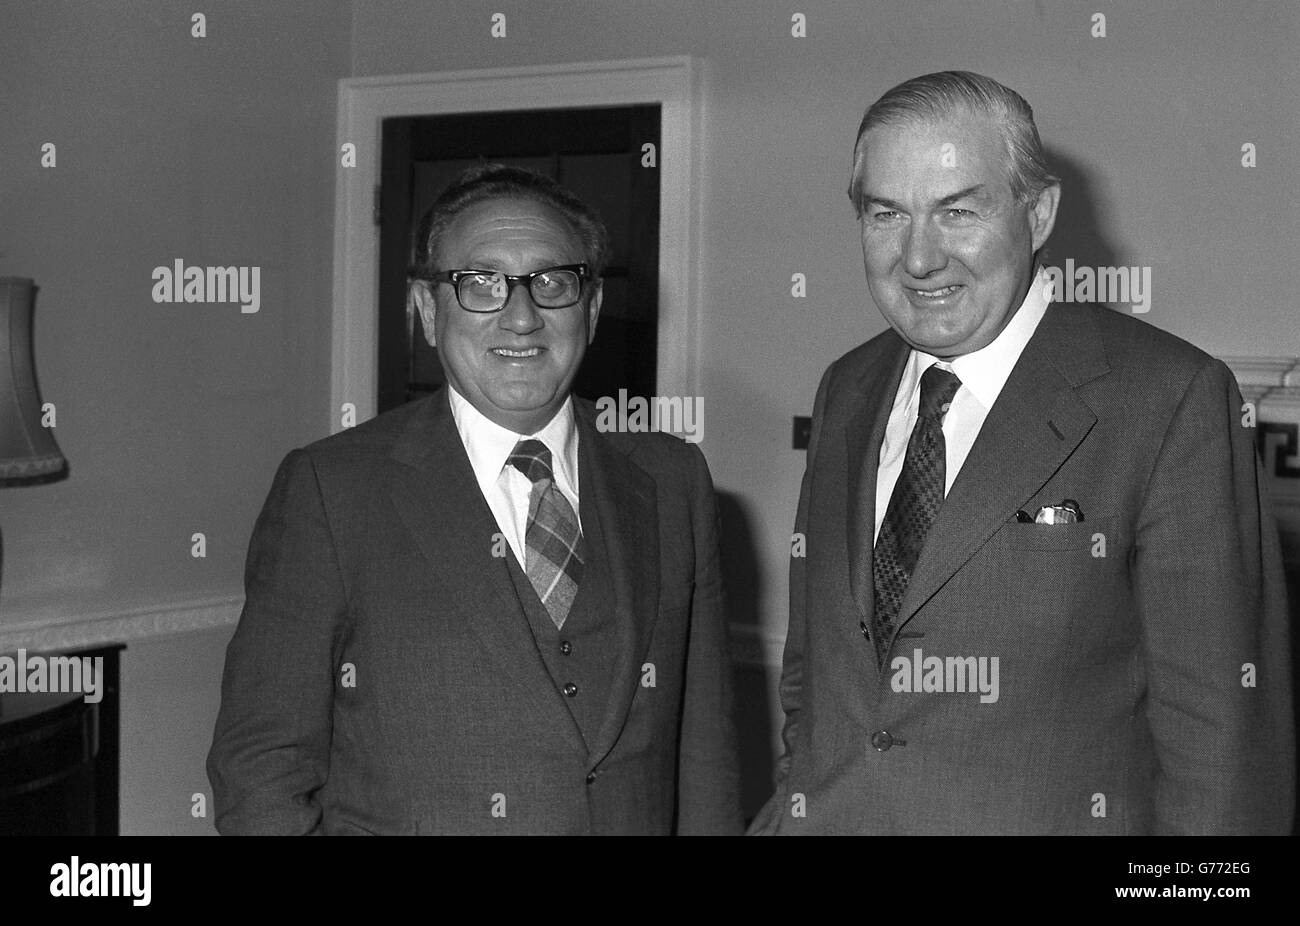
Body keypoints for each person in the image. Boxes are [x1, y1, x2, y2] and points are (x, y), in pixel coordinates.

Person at [749, 71, 1294, 835]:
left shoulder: (1166, 399)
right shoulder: (848, 386)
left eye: (958, 211)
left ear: (1037, 214)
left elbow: (1222, 745)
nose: (919, 258)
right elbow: (815, 680)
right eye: (886, 215)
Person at [208, 164, 741, 835]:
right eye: (481, 284)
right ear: (429, 311)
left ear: (592, 308)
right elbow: (261, 772)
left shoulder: (674, 482)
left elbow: (706, 758)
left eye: (552, 283)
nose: (521, 317)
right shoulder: (332, 491)